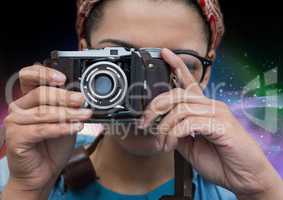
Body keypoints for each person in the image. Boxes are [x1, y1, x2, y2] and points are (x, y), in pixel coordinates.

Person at [2, 0, 283, 199]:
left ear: (207, 70)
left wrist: (260, 190)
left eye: (175, 64)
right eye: (118, 64)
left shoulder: (242, 184)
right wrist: (27, 190)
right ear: (82, 56)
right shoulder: (18, 173)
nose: (144, 94)